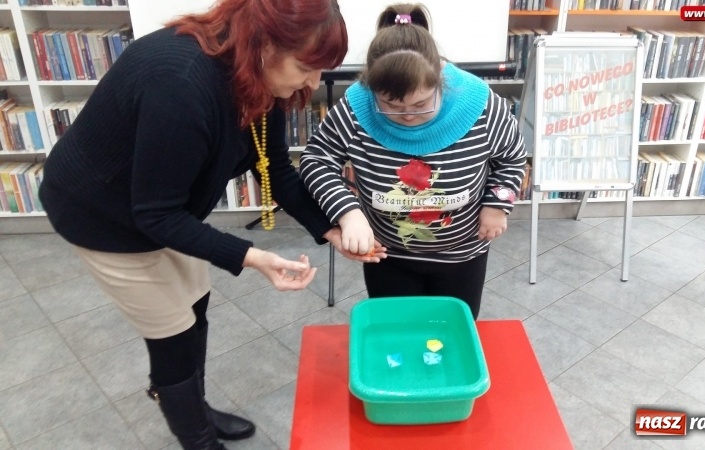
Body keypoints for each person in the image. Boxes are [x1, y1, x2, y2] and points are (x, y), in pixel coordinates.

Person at [38, 1, 382, 449]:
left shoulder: (255, 75)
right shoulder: (181, 85)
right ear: (264, 43)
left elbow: (274, 168)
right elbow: (154, 215)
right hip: (103, 215)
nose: (313, 84)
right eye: (306, 67)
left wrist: (329, 228)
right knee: (172, 330)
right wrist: (252, 257)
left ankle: (193, 405)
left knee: (195, 302)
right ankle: (197, 438)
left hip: (164, 208)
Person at [299, 3, 527, 319]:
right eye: (390, 105)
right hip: (387, 256)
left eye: (421, 104)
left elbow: (512, 158)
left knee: (449, 333)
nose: (406, 116)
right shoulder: (356, 106)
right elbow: (316, 160)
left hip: (462, 256)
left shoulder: (482, 105)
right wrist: (347, 213)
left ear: (441, 81)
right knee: (396, 333)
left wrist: (497, 204)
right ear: (371, 89)